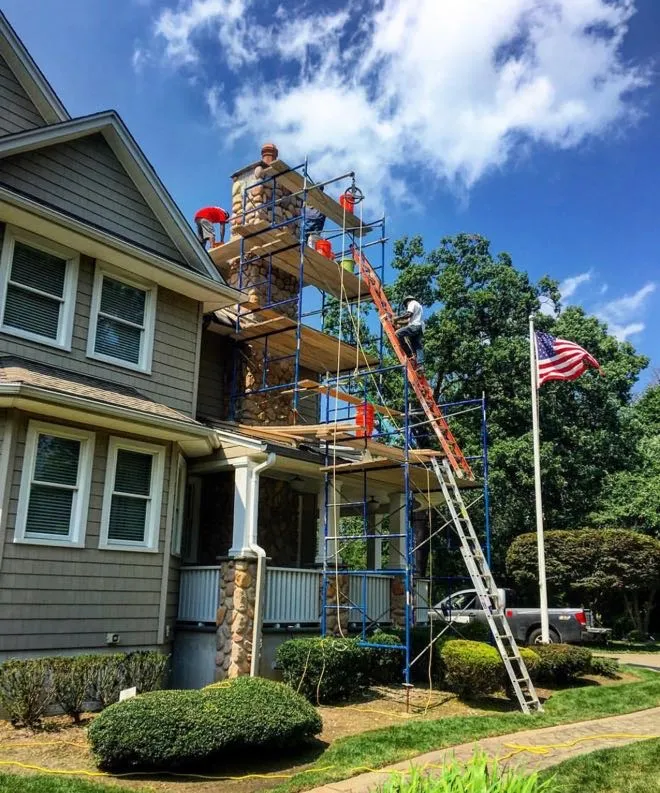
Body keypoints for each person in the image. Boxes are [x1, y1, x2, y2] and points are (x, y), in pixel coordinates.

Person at [394, 295, 425, 368]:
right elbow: (407, 321)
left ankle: (408, 353)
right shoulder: (418, 305)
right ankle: (420, 366)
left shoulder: (412, 303)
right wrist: (398, 322)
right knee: (417, 346)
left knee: (398, 333)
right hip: (419, 328)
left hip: (415, 326)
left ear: (407, 301)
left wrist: (397, 318)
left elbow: (408, 314)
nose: (406, 306)